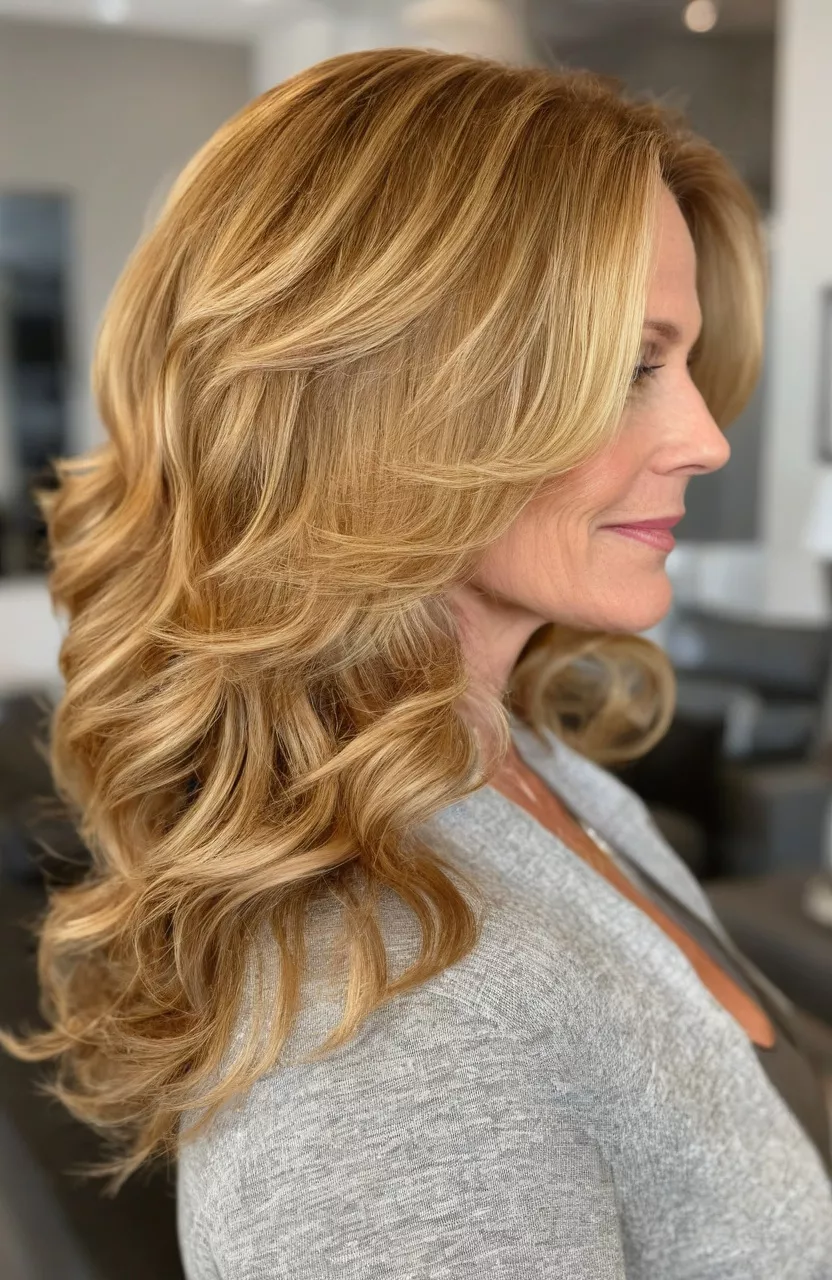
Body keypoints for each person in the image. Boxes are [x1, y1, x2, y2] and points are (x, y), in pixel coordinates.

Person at [3, 47, 831, 1279]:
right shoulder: (388, 1029)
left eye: (687, 361)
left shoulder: (514, 759)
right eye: (628, 367)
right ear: (390, 397)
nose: (706, 438)